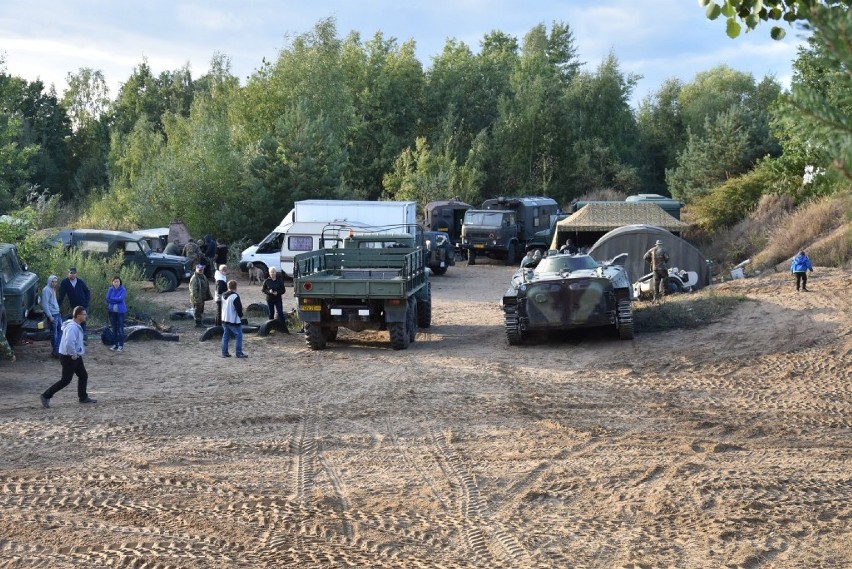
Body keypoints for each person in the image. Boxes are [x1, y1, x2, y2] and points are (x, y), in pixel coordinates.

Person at [41, 306, 96, 408]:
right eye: (84, 314)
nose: (85, 316)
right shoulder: (72, 327)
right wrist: (73, 354)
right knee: (65, 380)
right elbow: (69, 343)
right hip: (70, 357)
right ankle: (46, 395)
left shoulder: (75, 325)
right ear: (78, 315)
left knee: (83, 375)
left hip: (74, 356)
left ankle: (83, 397)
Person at [58, 267, 91, 332]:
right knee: (76, 321)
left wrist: (87, 301)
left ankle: (83, 337)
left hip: (83, 305)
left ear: (76, 274)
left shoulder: (80, 281)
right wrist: (58, 305)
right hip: (74, 306)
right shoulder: (65, 282)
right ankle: (76, 336)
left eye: (74, 273)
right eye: (71, 273)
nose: (72, 275)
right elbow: (61, 295)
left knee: (83, 321)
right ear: (68, 273)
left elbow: (87, 291)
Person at [221, 279, 247, 358]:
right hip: (233, 320)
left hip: (225, 319)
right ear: (235, 287)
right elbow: (238, 308)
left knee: (225, 336)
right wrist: (241, 315)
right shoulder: (235, 296)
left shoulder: (223, 295)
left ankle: (224, 353)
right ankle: (238, 353)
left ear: (228, 286)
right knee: (239, 336)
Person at [261, 267, 290, 332]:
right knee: (271, 313)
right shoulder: (266, 281)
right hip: (269, 299)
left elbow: (283, 290)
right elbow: (263, 290)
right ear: (269, 273)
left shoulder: (280, 280)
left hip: (278, 299)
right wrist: (269, 292)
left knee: (280, 313)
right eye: (271, 272)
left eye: (274, 272)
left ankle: (284, 329)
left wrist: (278, 292)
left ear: (275, 272)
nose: (273, 273)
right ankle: (270, 329)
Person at [41, 274, 61, 357]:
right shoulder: (46, 290)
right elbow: (45, 304)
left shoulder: (53, 289)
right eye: (53, 281)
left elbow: (53, 301)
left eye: (55, 282)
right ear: (49, 281)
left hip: (57, 313)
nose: (54, 283)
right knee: (54, 333)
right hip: (52, 314)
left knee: (61, 331)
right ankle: (55, 351)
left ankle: (57, 349)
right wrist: (50, 316)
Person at [106, 276, 127, 352]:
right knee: (114, 328)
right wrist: (116, 299)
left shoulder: (123, 289)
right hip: (112, 311)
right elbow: (107, 298)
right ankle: (115, 344)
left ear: (120, 282)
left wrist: (113, 299)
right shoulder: (110, 289)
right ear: (112, 282)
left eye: (117, 281)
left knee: (120, 329)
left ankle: (120, 345)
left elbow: (121, 299)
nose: (116, 283)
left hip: (120, 312)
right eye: (114, 281)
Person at [189, 262, 212, 328]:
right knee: (197, 311)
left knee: (201, 310)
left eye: (202, 269)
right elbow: (193, 290)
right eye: (199, 269)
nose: (201, 270)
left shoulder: (203, 276)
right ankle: (198, 324)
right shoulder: (194, 278)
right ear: (196, 269)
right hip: (197, 298)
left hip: (202, 297)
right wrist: (197, 299)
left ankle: (200, 323)